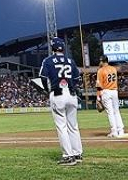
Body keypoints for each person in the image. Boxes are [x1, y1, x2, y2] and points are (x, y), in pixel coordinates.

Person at [39, 37, 82, 166]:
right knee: (73, 126)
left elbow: (42, 77)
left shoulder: (48, 60)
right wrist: (73, 88)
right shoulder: (70, 61)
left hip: (58, 94)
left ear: (52, 48)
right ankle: (77, 154)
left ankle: (68, 156)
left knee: (62, 127)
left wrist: (47, 90)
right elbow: (77, 78)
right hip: (71, 94)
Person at [95, 55, 125, 137]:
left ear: (102, 61)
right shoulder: (113, 69)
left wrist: (98, 97)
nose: (99, 62)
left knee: (110, 113)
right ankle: (121, 130)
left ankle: (114, 131)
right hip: (115, 91)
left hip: (106, 92)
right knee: (116, 111)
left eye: (100, 61)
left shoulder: (100, 70)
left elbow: (99, 86)